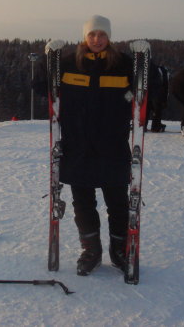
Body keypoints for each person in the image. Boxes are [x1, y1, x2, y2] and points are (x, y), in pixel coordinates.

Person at [43, 15, 133, 276]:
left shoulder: (123, 63)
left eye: (102, 34)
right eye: (92, 34)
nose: (97, 39)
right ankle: (91, 251)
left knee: (118, 203)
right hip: (78, 146)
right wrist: (49, 60)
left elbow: (151, 87)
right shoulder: (69, 63)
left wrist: (143, 63)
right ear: (85, 37)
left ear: (109, 37)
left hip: (113, 146)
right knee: (83, 204)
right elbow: (41, 87)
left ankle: (120, 251)